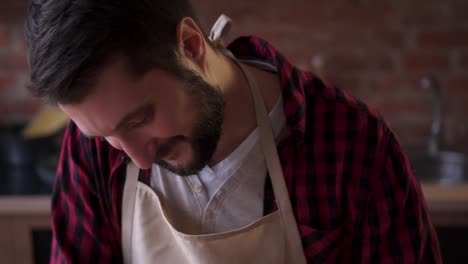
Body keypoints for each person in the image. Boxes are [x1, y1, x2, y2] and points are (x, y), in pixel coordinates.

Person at [26, 0, 441, 263]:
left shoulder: (354, 145)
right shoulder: (93, 152)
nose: (137, 158)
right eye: (107, 136)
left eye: (137, 120)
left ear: (190, 46)